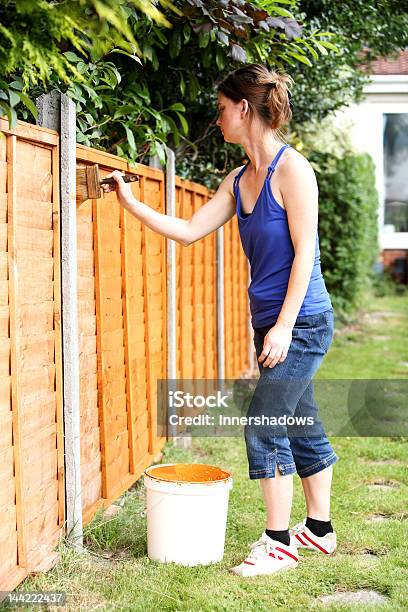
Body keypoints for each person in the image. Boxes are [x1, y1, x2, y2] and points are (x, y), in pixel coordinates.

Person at [102, 63, 339, 578]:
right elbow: (188, 230)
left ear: (244, 109)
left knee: (264, 423)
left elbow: (305, 256)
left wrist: (281, 327)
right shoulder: (237, 180)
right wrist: (129, 201)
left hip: (302, 320)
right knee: (301, 421)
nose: (218, 118)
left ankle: (278, 542)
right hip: (272, 322)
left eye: (222, 108)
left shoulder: (293, 170)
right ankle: (318, 530)